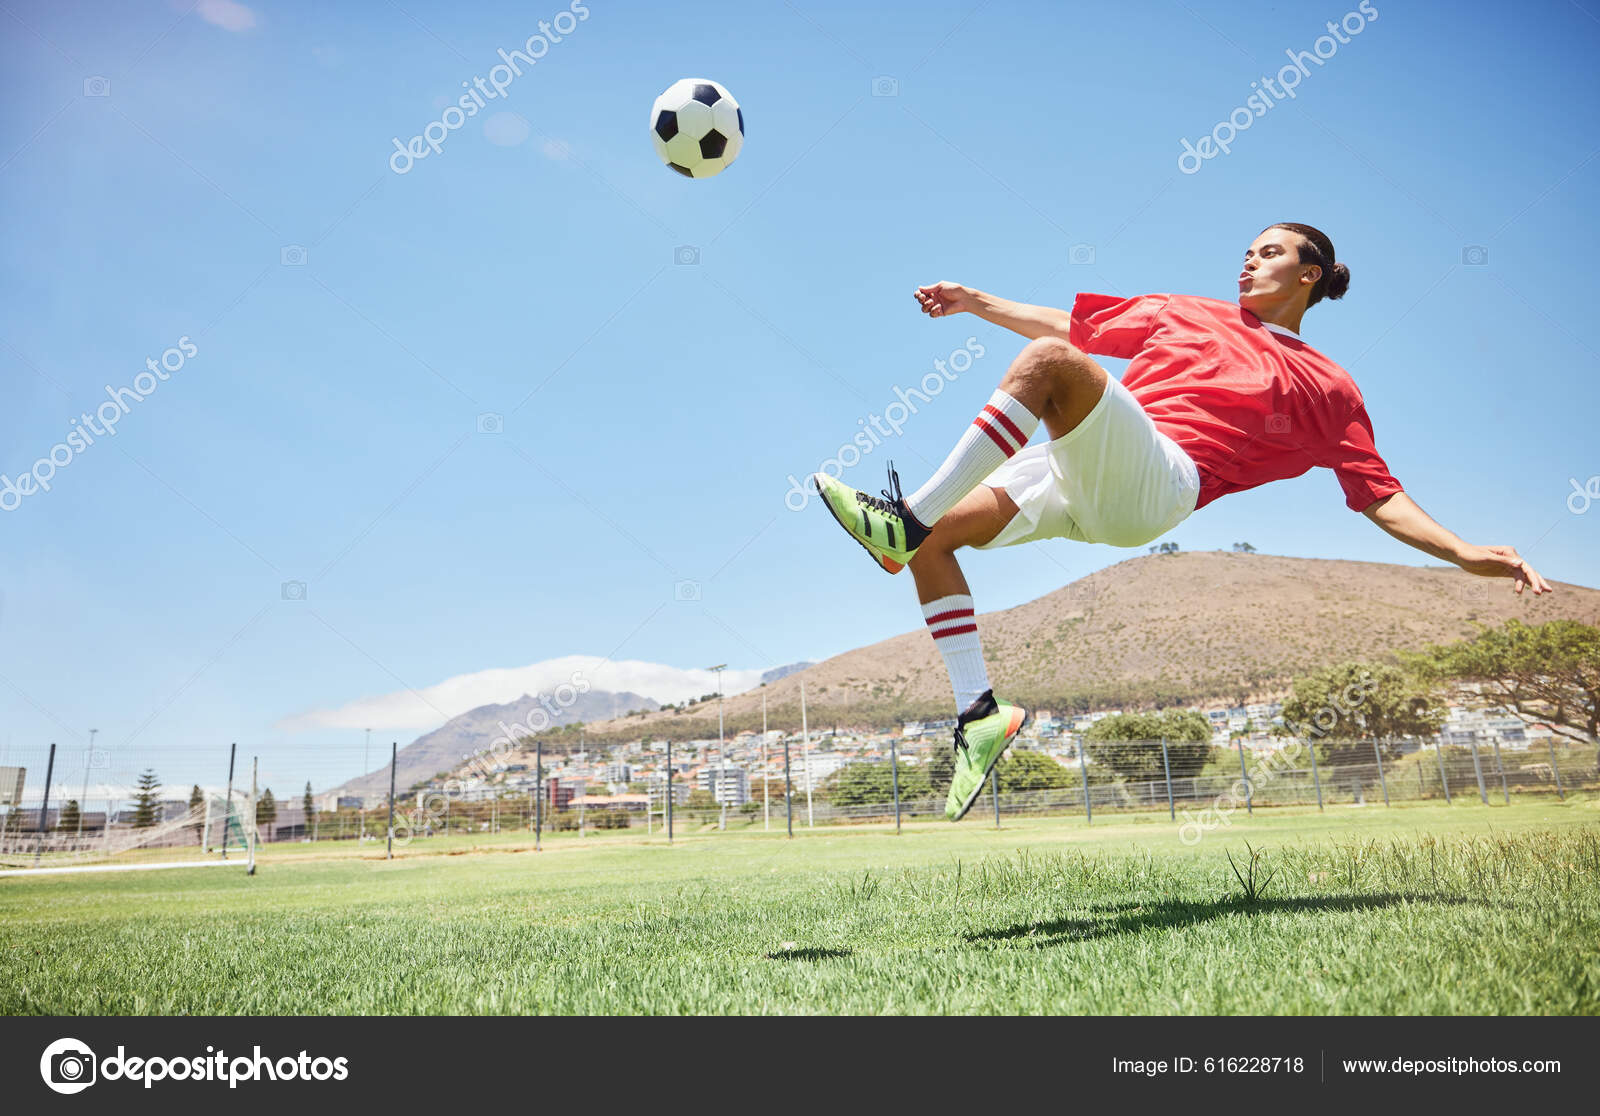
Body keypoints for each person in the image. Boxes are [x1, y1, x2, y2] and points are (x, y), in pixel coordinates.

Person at [812, 222, 1554, 821]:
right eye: (1245, 252)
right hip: (1079, 467)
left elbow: (1376, 491)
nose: (1247, 263)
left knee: (1047, 365)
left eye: (1268, 253)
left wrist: (1460, 551)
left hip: (1160, 483)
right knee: (939, 541)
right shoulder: (1186, 311)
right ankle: (978, 712)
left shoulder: (1328, 386)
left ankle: (905, 519)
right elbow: (1076, 324)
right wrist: (978, 301)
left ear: (1310, 276)